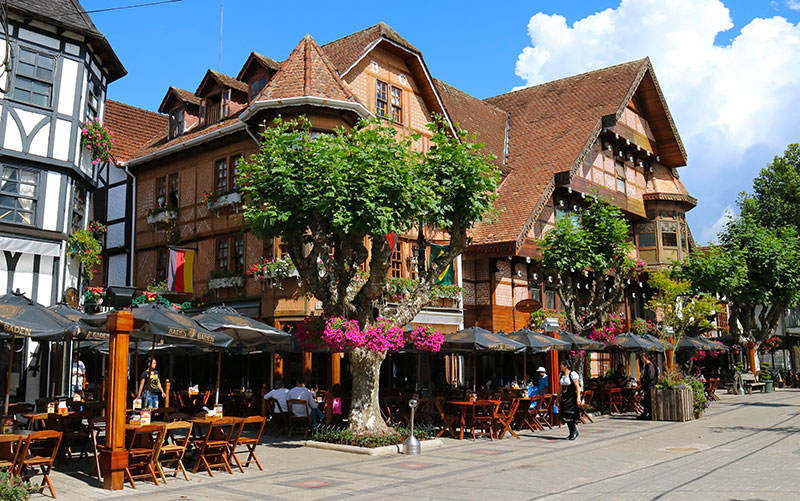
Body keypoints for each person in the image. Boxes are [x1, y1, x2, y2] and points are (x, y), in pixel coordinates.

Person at [559, 360, 582, 440]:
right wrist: (557, 398)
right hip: (564, 397)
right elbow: (560, 388)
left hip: (571, 397)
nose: (560, 366)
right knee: (565, 414)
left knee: (570, 414)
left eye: (561, 365)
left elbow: (577, 387)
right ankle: (572, 432)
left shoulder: (572, 374)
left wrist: (578, 398)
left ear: (566, 366)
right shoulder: (561, 375)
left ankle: (573, 432)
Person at [638, 353, 658, 420]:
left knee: (648, 401)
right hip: (647, 386)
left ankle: (649, 414)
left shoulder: (650, 366)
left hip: (650, 386)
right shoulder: (647, 366)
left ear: (646, 358)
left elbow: (650, 377)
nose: (642, 359)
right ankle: (646, 413)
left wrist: (643, 381)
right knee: (646, 401)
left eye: (642, 358)